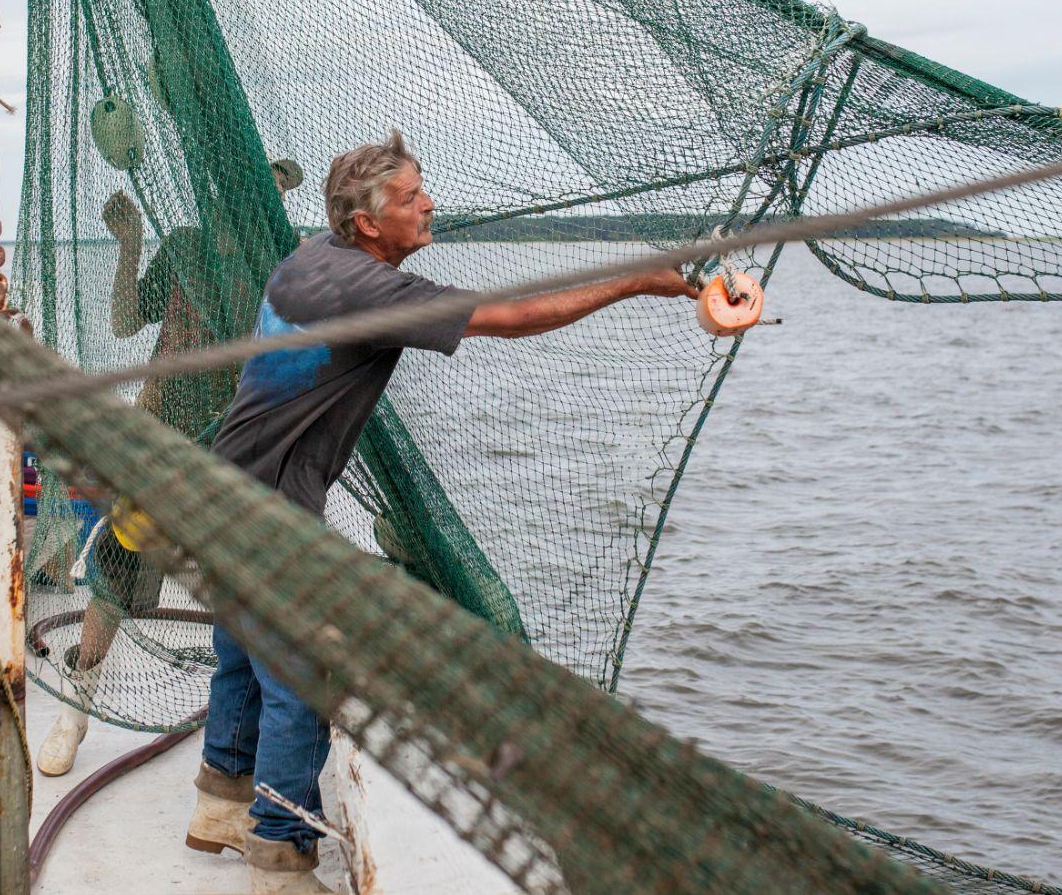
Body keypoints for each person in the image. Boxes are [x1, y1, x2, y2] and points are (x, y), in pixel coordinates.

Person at [184, 131, 698, 893]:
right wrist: (632, 283)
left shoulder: (308, 259)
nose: (429, 205)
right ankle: (279, 858)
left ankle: (221, 800)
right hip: (270, 508)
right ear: (367, 222)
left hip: (219, 485)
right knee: (298, 671)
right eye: (412, 196)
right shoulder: (371, 288)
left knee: (242, 647)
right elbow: (516, 312)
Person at [36, 158, 305, 777]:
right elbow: (127, 323)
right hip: (161, 438)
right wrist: (130, 246)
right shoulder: (183, 245)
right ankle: (75, 711)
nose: (251, 198)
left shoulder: (284, 263)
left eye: (271, 188)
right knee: (116, 575)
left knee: (249, 589)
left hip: (239, 447)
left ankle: (248, 740)